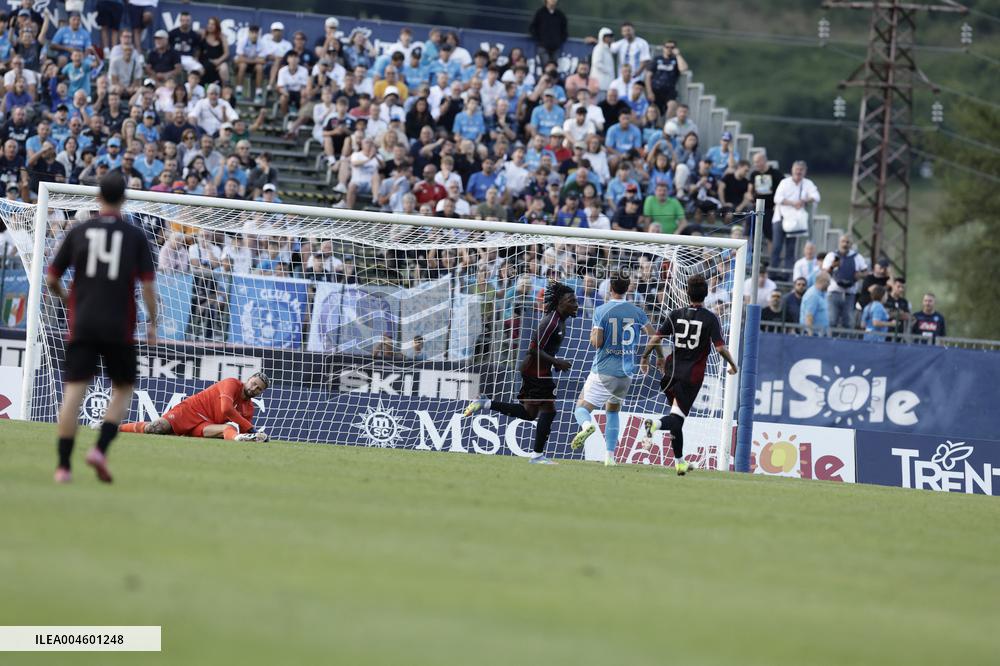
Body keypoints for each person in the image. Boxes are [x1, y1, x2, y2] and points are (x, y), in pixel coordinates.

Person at [45, 173, 157, 484]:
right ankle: (100, 450)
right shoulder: (136, 236)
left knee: (74, 393)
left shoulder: (80, 231)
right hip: (119, 325)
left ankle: (63, 467)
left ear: (98, 198)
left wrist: (69, 299)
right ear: (124, 199)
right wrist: (153, 322)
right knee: (122, 388)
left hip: (82, 322)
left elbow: (51, 278)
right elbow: (148, 286)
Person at [462, 281, 579, 465]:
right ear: (559, 303)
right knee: (549, 410)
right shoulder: (550, 322)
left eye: (576, 300)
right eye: (571, 301)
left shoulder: (560, 321)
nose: (576, 304)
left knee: (530, 414)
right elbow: (533, 349)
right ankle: (537, 456)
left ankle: (485, 403)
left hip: (537, 369)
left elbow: (544, 349)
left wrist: (554, 363)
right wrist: (557, 362)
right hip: (535, 371)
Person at [639, 274, 739, 475]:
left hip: (669, 373)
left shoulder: (675, 314)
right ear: (706, 294)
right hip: (690, 377)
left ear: (687, 292)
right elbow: (720, 349)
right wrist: (733, 365)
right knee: (675, 419)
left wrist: (644, 357)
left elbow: (656, 338)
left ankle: (679, 462)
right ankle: (654, 424)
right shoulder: (710, 318)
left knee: (677, 419)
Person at [569, 275, 656, 466]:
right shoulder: (638, 312)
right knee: (613, 412)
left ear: (610, 288)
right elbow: (654, 336)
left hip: (603, 370)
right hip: (625, 374)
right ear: (628, 289)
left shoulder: (601, 310)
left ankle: (587, 426)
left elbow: (597, 342)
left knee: (581, 408)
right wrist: (645, 357)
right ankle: (610, 456)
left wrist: (593, 336)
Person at [120, 374, 271, 441]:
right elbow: (226, 409)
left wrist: (256, 436)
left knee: (227, 429)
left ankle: (237, 440)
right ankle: (116, 428)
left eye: (259, 389)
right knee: (156, 428)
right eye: (254, 383)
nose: (254, 388)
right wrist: (251, 428)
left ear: (261, 392)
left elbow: (247, 430)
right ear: (248, 379)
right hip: (191, 410)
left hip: (207, 424)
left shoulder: (249, 408)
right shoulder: (231, 383)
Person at [771, 160, 820, 272]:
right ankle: (773, 272)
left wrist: (804, 200)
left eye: (801, 170)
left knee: (790, 249)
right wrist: (793, 203)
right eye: (797, 169)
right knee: (777, 247)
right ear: (792, 170)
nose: (798, 172)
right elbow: (777, 198)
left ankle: (788, 274)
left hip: (795, 222)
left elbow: (816, 196)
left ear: (805, 171)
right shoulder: (785, 182)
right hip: (780, 218)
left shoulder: (808, 183)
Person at [822, 234, 869, 330]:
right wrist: (832, 266)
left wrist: (859, 275)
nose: (845, 244)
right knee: (832, 320)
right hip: (834, 292)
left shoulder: (857, 257)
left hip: (850, 293)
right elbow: (824, 273)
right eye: (843, 242)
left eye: (847, 242)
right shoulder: (832, 256)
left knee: (848, 321)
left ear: (851, 244)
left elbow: (866, 272)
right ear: (839, 243)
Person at [529, 0, 568, 67]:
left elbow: (564, 30)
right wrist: (539, 40)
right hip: (543, 46)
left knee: (554, 67)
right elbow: (532, 28)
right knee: (546, 66)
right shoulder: (540, 13)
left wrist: (559, 41)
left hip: (556, 47)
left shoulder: (560, 15)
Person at [800, 271, 831, 336]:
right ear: (823, 281)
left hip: (821, 334)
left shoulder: (823, 294)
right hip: (814, 336)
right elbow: (809, 316)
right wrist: (811, 336)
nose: (829, 285)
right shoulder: (813, 295)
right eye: (828, 282)